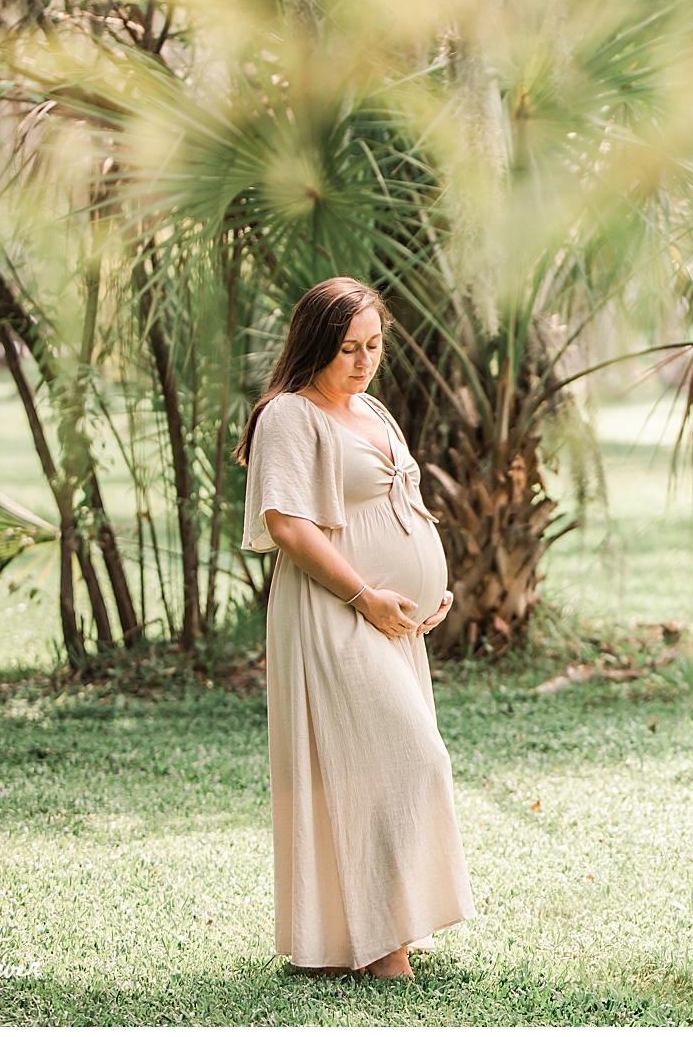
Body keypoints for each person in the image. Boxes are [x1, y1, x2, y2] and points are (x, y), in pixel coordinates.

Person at [235, 276, 476, 980]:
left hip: (390, 620)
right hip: (330, 611)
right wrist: (367, 592)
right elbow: (288, 524)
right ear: (315, 344)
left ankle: (382, 929)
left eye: (374, 345)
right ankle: (380, 947)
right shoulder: (289, 415)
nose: (364, 360)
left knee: (382, 766)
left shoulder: (370, 408)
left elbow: (401, 506)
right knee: (409, 759)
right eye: (348, 348)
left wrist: (429, 593)